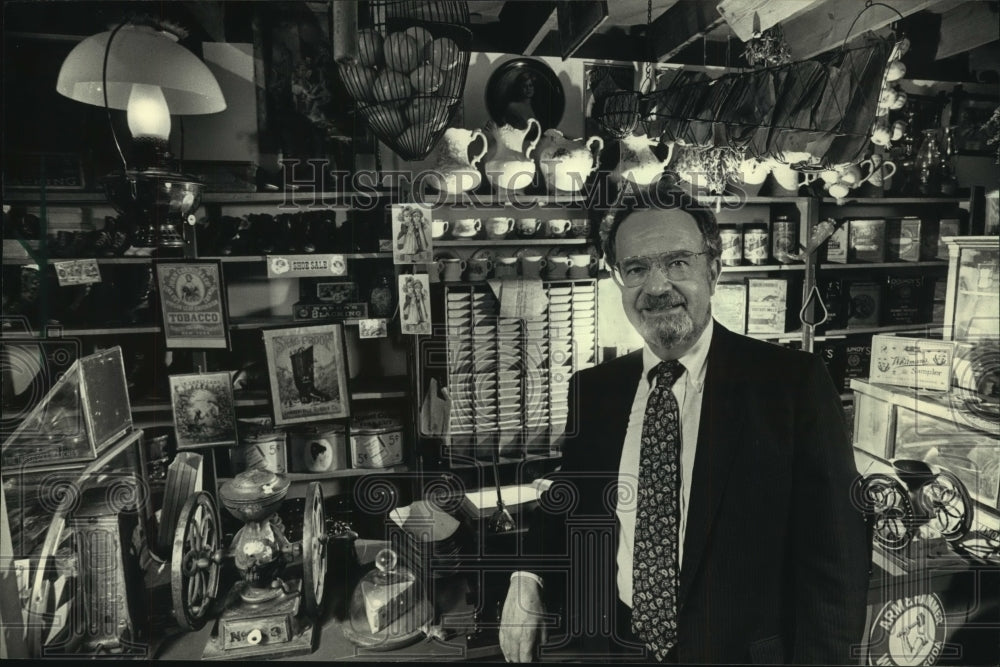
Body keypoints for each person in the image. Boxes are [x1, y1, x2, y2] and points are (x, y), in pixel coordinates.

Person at [499, 184, 870, 664]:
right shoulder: (594, 389)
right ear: (620, 281)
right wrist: (526, 578)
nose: (656, 287)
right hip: (617, 649)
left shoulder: (790, 384)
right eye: (636, 268)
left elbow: (837, 557)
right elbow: (570, 494)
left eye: (677, 262)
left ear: (712, 271)